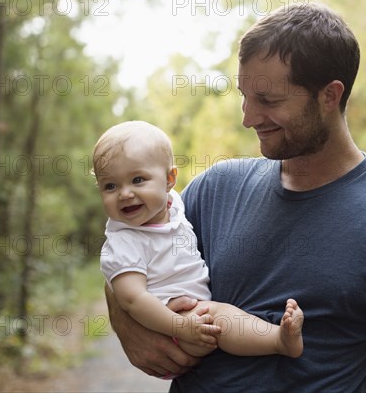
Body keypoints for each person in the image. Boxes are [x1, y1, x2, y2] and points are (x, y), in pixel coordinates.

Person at [106, 2, 366, 392]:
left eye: (268, 101)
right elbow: (129, 252)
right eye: (244, 96)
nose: (248, 117)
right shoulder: (216, 189)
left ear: (329, 96)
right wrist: (123, 323)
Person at [93, 120, 304, 369]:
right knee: (216, 318)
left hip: (186, 311)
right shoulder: (124, 241)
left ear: (170, 179)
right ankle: (278, 341)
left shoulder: (174, 206)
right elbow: (132, 299)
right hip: (171, 324)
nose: (125, 193)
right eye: (110, 186)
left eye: (138, 179)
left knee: (215, 314)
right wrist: (179, 326)